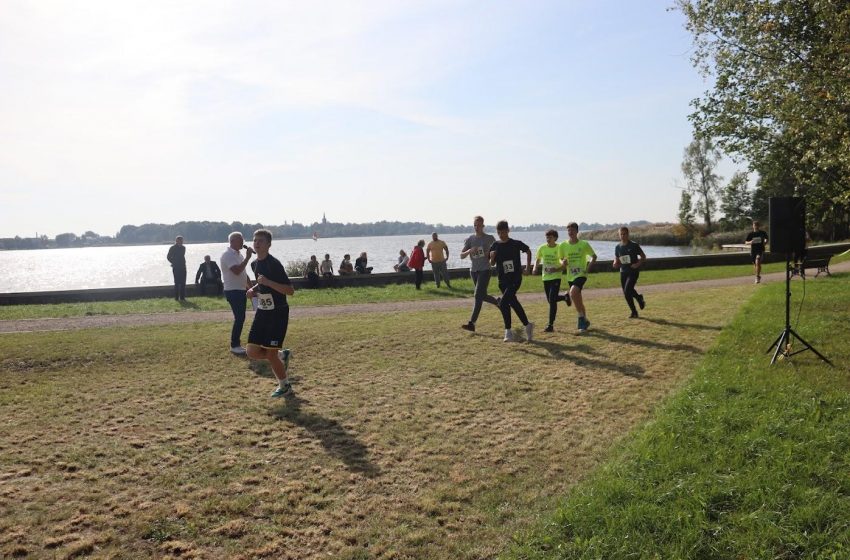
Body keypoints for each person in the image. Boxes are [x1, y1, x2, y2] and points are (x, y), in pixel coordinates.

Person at [245, 229, 296, 398]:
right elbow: (262, 285)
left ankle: (285, 386)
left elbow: (289, 290)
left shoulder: (274, 264)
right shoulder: (254, 264)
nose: (256, 243)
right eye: (255, 240)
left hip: (278, 313)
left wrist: (267, 281)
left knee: (270, 354)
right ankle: (283, 354)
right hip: (263, 311)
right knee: (251, 351)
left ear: (268, 244)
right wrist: (253, 289)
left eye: (260, 240)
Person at [489, 220, 534, 342]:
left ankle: (508, 332)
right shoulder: (495, 245)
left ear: (508, 231)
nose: (501, 235)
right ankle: (528, 325)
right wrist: (492, 257)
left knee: (503, 303)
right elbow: (491, 263)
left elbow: (528, 251)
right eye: (499, 233)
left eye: (503, 232)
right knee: (513, 303)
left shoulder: (515, 243)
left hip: (515, 279)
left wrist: (528, 267)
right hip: (502, 281)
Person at [460, 216, 498, 332]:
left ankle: (472, 323)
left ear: (483, 226)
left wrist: (490, 254)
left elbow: (498, 249)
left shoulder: (489, 238)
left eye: (479, 225)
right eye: (475, 225)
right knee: (481, 295)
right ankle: (499, 302)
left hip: (485, 270)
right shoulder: (470, 239)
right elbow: (461, 256)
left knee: (477, 295)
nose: (477, 227)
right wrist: (469, 251)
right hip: (474, 271)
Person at [559, 222, 597, 333]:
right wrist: (563, 262)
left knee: (573, 292)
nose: (570, 232)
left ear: (577, 231)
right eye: (568, 230)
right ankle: (585, 321)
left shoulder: (584, 244)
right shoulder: (563, 245)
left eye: (572, 230)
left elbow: (594, 257)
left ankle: (581, 321)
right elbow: (560, 259)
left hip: (581, 274)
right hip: (570, 276)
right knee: (578, 299)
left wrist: (588, 268)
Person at [220, 232, 254, 355]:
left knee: (241, 317)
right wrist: (248, 258)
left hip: (240, 290)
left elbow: (244, 274)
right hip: (232, 290)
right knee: (239, 317)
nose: (243, 242)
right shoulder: (227, 255)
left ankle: (236, 343)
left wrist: (252, 288)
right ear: (233, 241)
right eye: (240, 240)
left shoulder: (238, 255)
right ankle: (234, 345)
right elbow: (237, 271)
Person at [533, 229, 567, 332]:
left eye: (550, 237)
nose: (548, 239)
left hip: (556, 277)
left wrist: (559, 266)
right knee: (550, 300)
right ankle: (565, 297)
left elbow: (562, 262)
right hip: (546, 277)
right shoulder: (542, 248)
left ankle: (550, 325)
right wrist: (535, 268)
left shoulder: (559, 247)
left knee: (552, 300)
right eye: (547, 237)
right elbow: (538, 259)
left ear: (555, 238)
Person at [613, 227, 647, 318]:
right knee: (626, 292)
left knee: (628, 290)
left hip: (633, 271)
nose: (623, 236)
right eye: (621, 234)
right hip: (623, 272)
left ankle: (639, 299)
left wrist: (637, 264)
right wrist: (615, 263)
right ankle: (634, 311)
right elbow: (616, 259)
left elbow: (643, 257)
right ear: (619, 235)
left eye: (625, 234)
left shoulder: (634, 245)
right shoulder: (618, 247)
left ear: (628, 234)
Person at [166, 235, 187, 301]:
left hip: (183, 267)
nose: (181, 242)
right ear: (176, 241)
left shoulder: (183, 248)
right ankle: (176, 298)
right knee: (177, 283)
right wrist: (174, 262)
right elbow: (168, 257)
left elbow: (181, 257)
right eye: (180, 240)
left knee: (183, 282)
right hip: (176, 267)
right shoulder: (172, 248)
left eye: (182, 241)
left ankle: (182, 297)